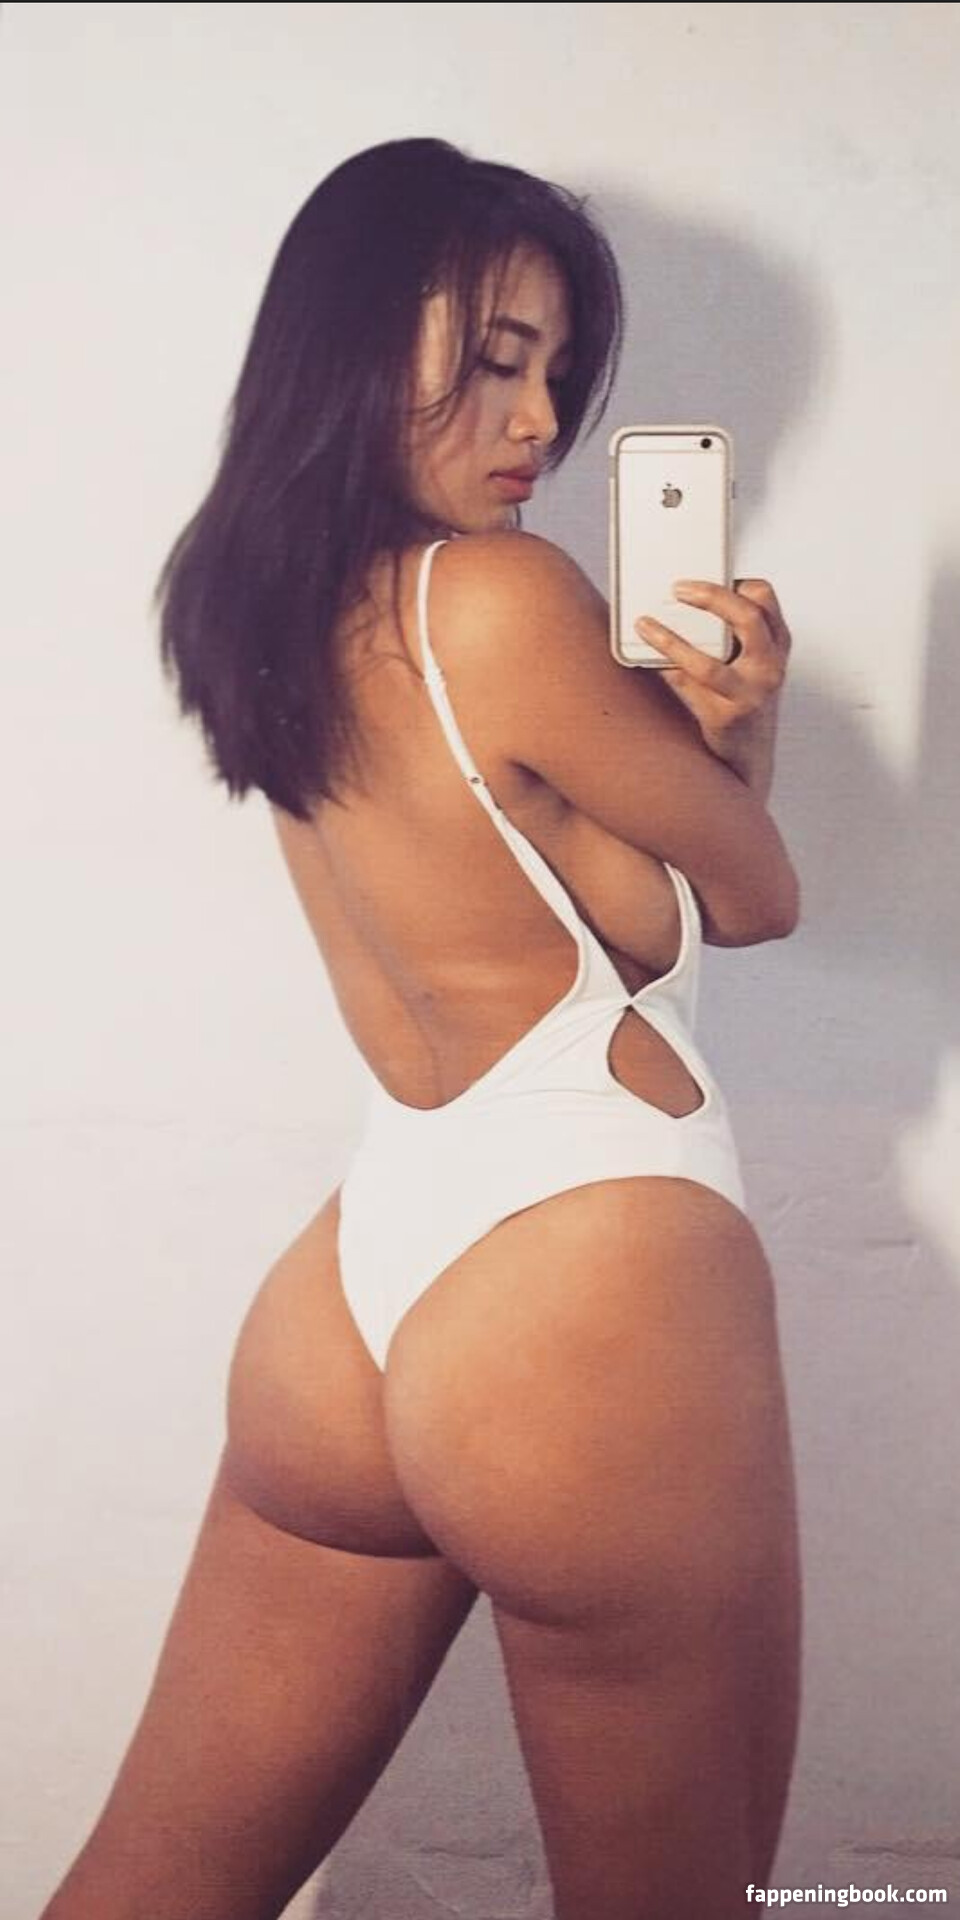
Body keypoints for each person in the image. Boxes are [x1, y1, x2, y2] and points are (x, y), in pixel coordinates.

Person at [40, 137, 802, 1920]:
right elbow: (752, 894)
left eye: (556, 371)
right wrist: (736, 730)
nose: (535, 421)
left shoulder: (265, 606)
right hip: (581, 1288)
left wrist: (699, 742)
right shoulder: (507, 600)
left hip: (354, 1301)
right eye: (493, 359)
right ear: (357, 344)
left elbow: (609, 901)